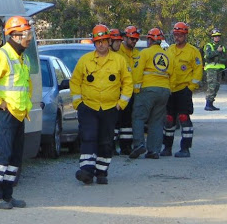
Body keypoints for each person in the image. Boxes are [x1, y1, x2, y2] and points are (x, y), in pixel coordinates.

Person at [0, 16, 33, 209]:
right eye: (27, 34)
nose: (29, 38)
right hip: (6, 113)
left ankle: (7, 195)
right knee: (0, 155)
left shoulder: (22, 57)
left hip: (19, 114)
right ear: (15, 35)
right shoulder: (0, 56)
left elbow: (26, 86)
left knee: (14, 157)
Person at [70, 24, 132, 185]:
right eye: (98, 41)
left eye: (104, 41)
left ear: (108, 41)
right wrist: (78, 102)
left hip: (110, 107)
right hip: (88, 107)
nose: (101, 44)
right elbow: (75, 81)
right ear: (94, 43)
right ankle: (86, 171)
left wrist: (121, 103)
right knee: (88, 137)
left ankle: (102, 171)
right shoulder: (85, 61)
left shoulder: (119, 61)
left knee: (106, 140)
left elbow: (127, 83)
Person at [129, 28, 173, 159]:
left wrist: (136, 89)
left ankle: (138, 145)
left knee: (138, 117)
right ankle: (154, 150)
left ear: (149, 40)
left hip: (148, 90)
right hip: (164, 90)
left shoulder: (145, 53)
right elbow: (173, 74)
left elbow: (137, 72)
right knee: (157, 121)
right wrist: (168, 89)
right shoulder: (168, 55)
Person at [161, 22, 203, 158]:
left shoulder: (193, 51)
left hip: (184, 90)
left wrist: (190, 87)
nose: (177, 37)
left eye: (180, 35)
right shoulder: (169, 50)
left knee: (184, 118)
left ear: (185, 35)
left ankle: (185, 148)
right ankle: (167, 147)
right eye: (175, 35)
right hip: (170, 90)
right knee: (169, 119)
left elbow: (197, 71)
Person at [115, 25, 141, 155]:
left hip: (131, 93)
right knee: (115, 120)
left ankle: (126, 147)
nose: (134, 42)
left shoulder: (137, 53)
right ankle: (112, 147)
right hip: (117, 91)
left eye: (136, 39)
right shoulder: (117, 51)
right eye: (132, 39)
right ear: (124, 38)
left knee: (127, 121)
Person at [203, 28, 226, 111]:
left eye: (218, 36)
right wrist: (217, 51)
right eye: (215, 36)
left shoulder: (222, 47)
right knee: (211, 86)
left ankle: (211, 104)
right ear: (212, 37)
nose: (217, 38)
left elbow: (224, 58)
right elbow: (208, 56)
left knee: (217, 86)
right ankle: (208, 104)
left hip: (219, 69)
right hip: (211, 69)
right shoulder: (209, 45)